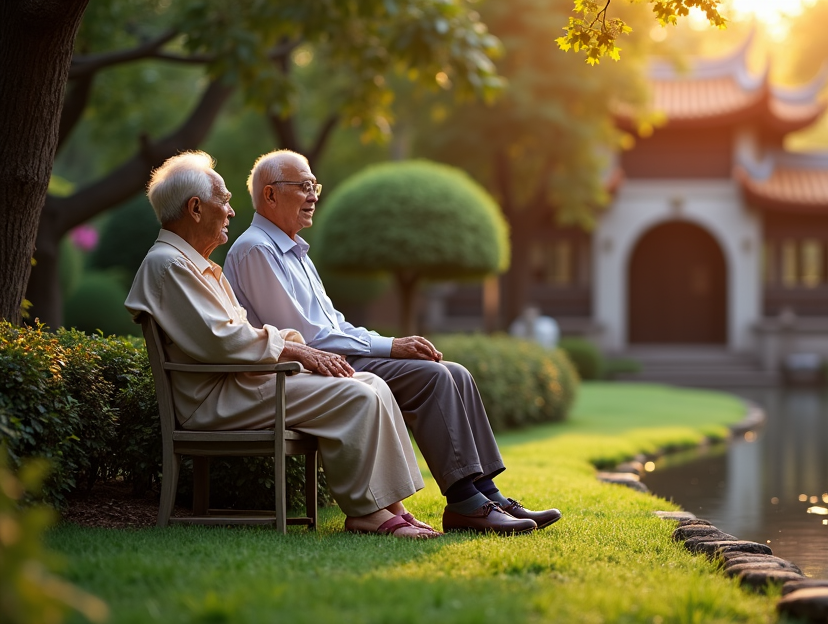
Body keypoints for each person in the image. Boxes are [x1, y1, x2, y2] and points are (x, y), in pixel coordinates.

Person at [224, 150, 560, 534]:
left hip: (337, 359)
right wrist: (391, 346)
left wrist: (389, 343)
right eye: (303, 186)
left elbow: (336, 324)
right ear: (270, 195)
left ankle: (488, 495)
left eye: (314, 185)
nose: (314, 194)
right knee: (432, 378)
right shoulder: (256, 250)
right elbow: (310, 337)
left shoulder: (294, 251)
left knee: (456, 373)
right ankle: (466, 504)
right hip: (314, 368)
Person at [125, 151, 446, 540]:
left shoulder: (194, 263)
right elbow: (223, 340)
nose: (230, 211)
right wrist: (298, 351)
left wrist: (301, 350)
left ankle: (390, 506)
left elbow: (232, 333)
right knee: (356, 395)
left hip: (239, 387)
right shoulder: (170, 264)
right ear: (195, 208)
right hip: (216, 400)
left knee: (371, 384)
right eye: (223, 201)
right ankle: (367, 512)